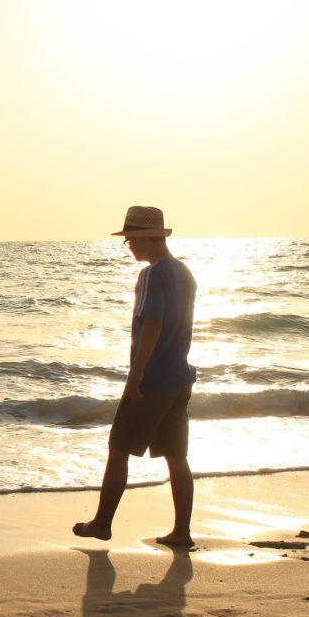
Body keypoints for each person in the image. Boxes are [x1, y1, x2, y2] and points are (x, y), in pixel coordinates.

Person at [73, 206, 197, 548]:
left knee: (118, 447)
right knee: (176, 455)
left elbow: (152, 325)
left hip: (153, 381)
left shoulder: (152, 275)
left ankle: (101, 523)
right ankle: (182, 532)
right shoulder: (185, 273)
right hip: (180, 377)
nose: (127, 244)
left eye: (130, 238)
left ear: (145, 238)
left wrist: (136, 375)